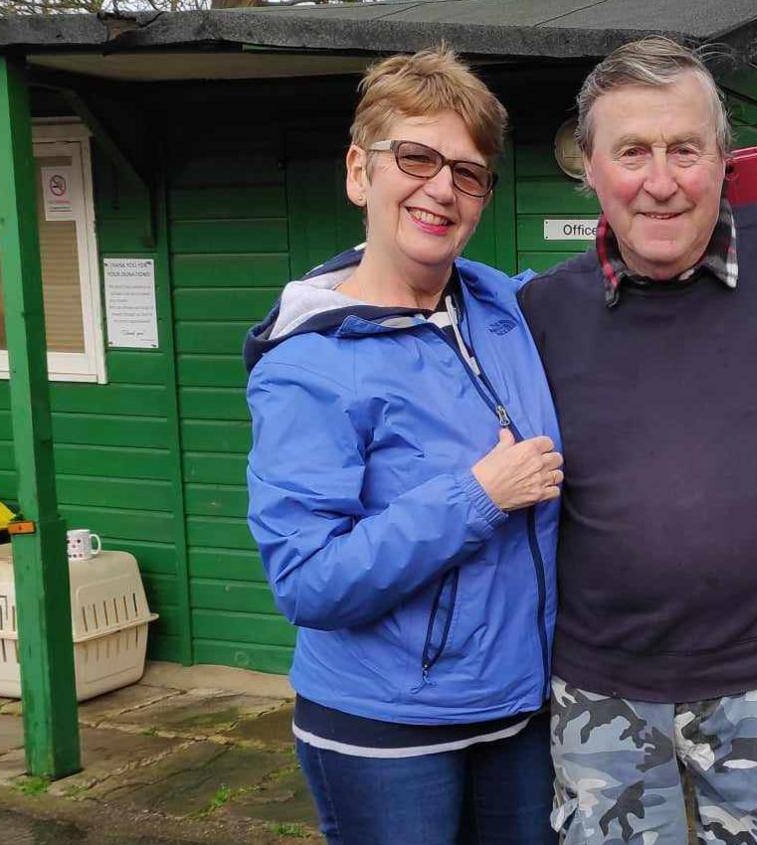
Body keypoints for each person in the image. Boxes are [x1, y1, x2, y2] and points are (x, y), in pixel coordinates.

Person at [517, 36, 757, 845]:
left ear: (721, 158)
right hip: (600, 691)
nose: (660, 182)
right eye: (632, 152)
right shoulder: (541, 315)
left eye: (684, 150)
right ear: (590, 168)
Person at [244, 47, 562, 845]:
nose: (441, 188)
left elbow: (622, 282)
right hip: (385, 729)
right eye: (415, 157)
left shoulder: (502, 305)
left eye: (468, 171)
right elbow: (309, 580)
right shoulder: (310, 362)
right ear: (360, 172)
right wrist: (478, 496)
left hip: (518, 712)